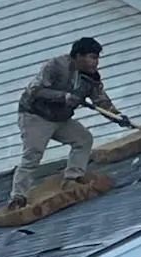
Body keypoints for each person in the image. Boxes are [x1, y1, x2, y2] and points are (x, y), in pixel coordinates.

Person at [9, 37, 113, 208]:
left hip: (60, 119)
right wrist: (63, 97)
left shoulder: (91, 78)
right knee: (33, 155)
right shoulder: (55, 66)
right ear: (78, 56)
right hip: (35, 116)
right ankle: (18, 197)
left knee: (83, 139)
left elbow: (101, 100)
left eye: (97, 58)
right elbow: (35, 90)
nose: (96, 62)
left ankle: (73, 177)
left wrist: (116, 116)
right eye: (92, 57)